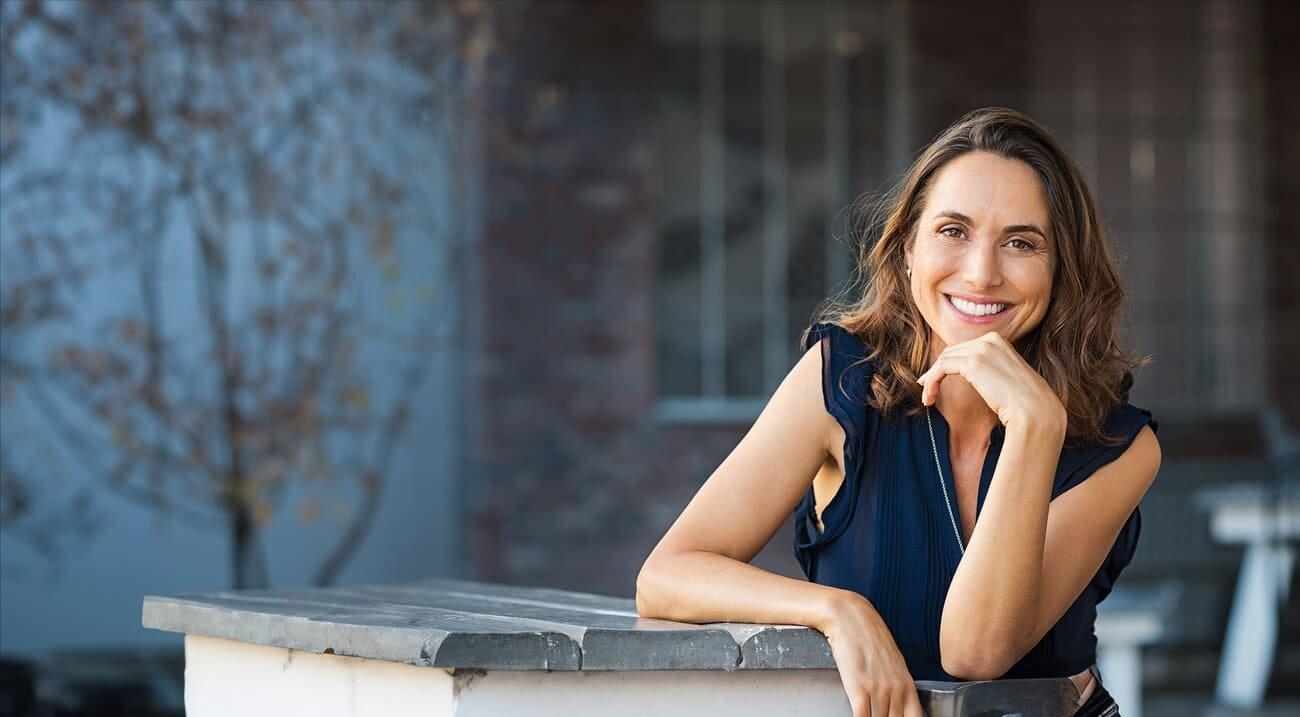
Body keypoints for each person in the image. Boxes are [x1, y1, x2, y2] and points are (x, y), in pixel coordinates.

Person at [635, 107, 1161, 717]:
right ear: (908, 247)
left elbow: (975, 651)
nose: (982, 273)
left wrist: (1034, 428)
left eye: (1021, 243)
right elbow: (667, 576)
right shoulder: (843, 378)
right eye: (953, 231)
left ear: (1061, 269)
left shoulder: (1122, 445)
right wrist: (838, 611)